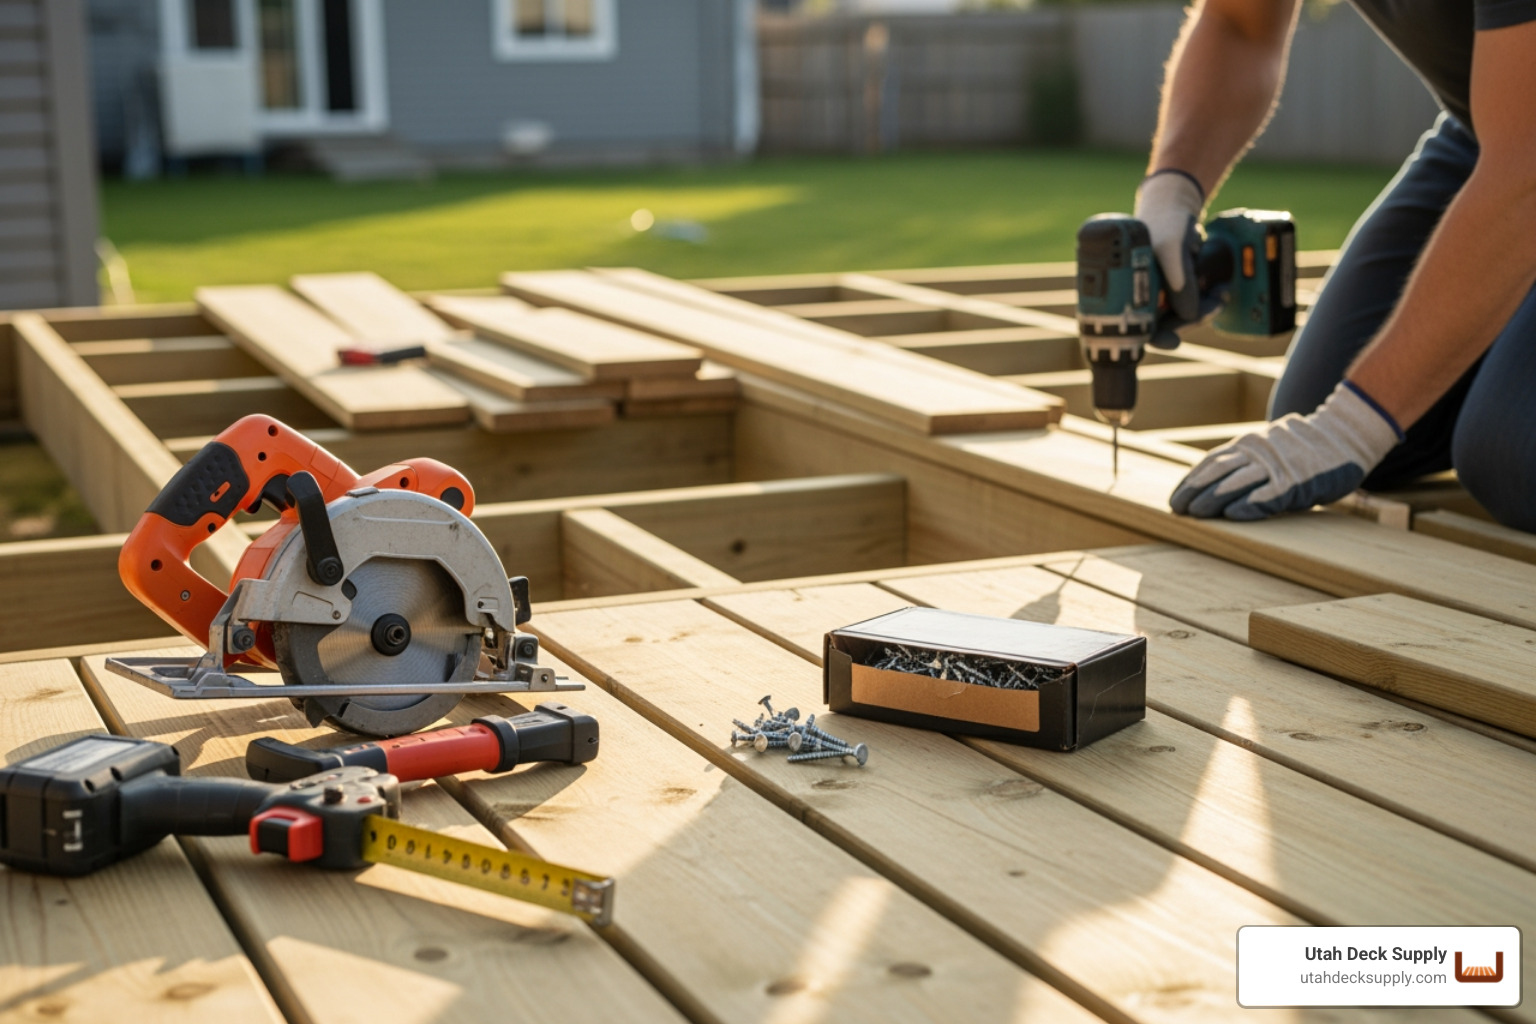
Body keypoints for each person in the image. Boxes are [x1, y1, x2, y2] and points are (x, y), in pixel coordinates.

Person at [1139, 0, 1536, 531]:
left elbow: (1525, 166)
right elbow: (1239, 23)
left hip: (1523, 150)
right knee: (1318, 412)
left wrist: (1351, 427)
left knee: (1510, 456)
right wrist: (1170, 193)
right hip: (1493, 129)